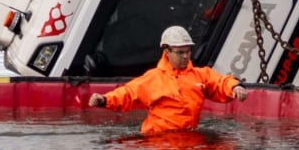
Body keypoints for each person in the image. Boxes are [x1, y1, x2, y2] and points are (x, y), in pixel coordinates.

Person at [88, 25, 248, 135]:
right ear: (167, 51)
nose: (185, 56)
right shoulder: (153, 78)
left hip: (185, 139)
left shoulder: (201, 75)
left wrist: (235, 87)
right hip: (157, 140)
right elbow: (128, 93)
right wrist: (104, 100)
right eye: (180, 52)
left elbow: (221, 82)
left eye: (188, 52)